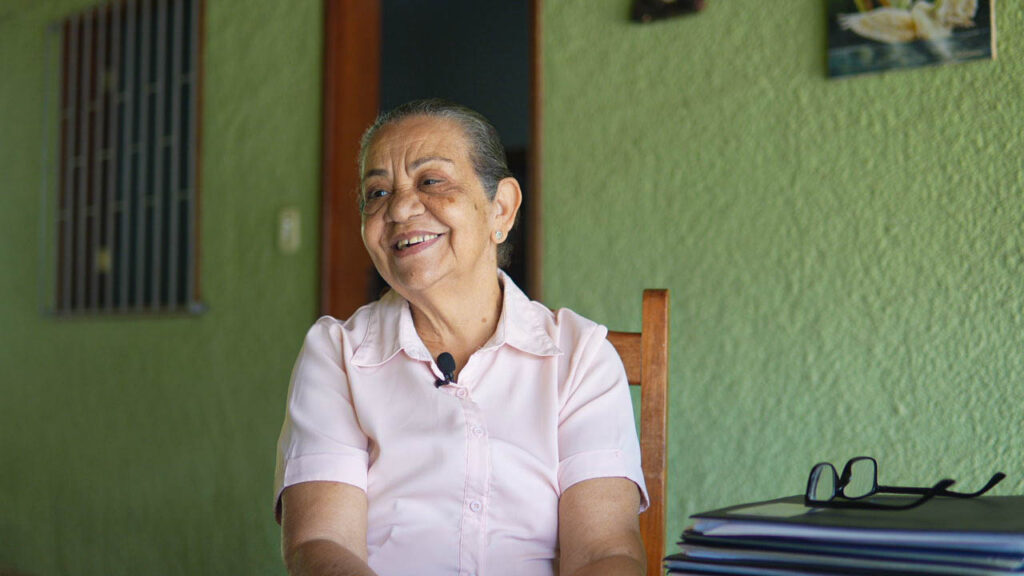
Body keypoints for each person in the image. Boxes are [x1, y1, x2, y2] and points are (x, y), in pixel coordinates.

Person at [273, 99, 648, 576]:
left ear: (501, 209)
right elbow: (321, 544)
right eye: (377, 193)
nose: (400, 207)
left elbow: (605, 552)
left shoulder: (578, 355)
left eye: (431, 181)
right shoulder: (337, 355)